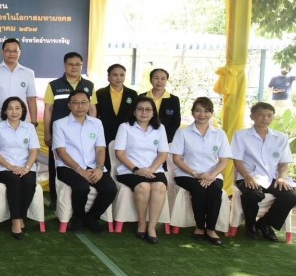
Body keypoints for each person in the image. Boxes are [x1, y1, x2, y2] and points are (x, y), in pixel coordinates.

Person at [53, 90, 117, 233]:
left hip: (94, 165)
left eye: (84, 103)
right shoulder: (59, 124)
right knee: (81, 187)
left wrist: (100, 168)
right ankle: (78, 217)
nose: (80, 106)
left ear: (89, 105)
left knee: (110, 189)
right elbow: (61, 153)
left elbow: (100, 149)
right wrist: (80, 170)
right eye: (75, 103)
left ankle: (92, 218)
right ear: (69, 105)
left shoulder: (97, 123)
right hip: (68, 167)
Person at [231, 102, 296, 242]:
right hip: (247, 175)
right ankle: (250, 225)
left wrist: (282, 178)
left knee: (291, 196)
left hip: (272, 177)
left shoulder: (281, 138)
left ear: (273, 118)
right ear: (252, 116)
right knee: (252, 194)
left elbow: (284, 163)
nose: (265, 118)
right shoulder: (241, 135)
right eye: (260, 115)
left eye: (269, 115)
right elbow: (237, 160)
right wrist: (247, 176)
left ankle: (265, 223)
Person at [170, 97, 230, 245]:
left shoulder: (219, 134)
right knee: (199, 189)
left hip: (212, 174)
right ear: (192, 112)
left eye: (206, 111)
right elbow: (177, 159)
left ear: (211, 113)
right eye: (198, 110)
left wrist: (211, 175)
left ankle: (211, 229)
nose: (202, 114)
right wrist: (196, 174)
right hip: (187, 174)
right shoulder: (183, 132)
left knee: (215, 190)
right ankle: (199, 227)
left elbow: (224, 161)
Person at [114, 96, 169, 244]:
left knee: (160, 186)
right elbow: (119, 153)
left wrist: (151, 169)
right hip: (129, 170)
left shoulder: (160, 128)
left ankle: (151, 227)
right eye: (140, 109)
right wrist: (136, 169)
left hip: (154, 170)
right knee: (143, 186)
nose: (144, 112)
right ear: (134, 111)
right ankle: (141, 223)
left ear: (153, 113)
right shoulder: (125, 127)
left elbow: (163, 153)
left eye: (148, 109)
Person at [43, 52, 95, 205]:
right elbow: (48, 110)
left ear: (82, 65)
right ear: (65, 65)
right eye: (70, 64)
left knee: (83, 160)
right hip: (60, 133)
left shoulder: (89, 85)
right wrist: (47, 132)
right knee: (56, 164)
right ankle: (55, 198)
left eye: (77, 64)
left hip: (82, 132)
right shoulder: (54, 85)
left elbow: (92, 109)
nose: (74, 67)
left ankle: (84, 195)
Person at [0, 97, 40, 240]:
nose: (14, 111)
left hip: (25, 167)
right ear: (5, 111)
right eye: (10, 108)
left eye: (17, 108)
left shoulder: (29, 127)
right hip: (3, 168)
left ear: (23, 110)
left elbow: (34, 150)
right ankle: (16, 220)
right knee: (15, 181)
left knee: (29, 183)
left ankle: (21, 215)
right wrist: (11, 167)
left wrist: (27, 167)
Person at [0, 38, 38, 139]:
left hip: (21, 124)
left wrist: (33, 122)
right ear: (2, 52)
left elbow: (31, 99)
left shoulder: (28, 73)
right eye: (8, 51)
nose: (11, 54)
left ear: (20, 53)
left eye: (15, 51)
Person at [94, 63, 138, 148]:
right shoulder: (100, 93)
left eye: (122, 75)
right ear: (108, 77)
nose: (119, 78)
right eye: (115, 75)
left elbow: (135, 115)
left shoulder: (132, 94)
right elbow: (95, 114)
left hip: (127, 133)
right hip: (105, 132)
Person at [139, 68, 181, 142]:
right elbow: (136, 117)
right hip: (142, 137)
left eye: (163, 79)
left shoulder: (173, 100)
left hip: (165, 138)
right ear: (150, 80)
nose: (159, 81)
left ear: (166, 80)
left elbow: (176, 122)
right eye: (156, 78)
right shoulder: (142, 97)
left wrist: (165, 138)